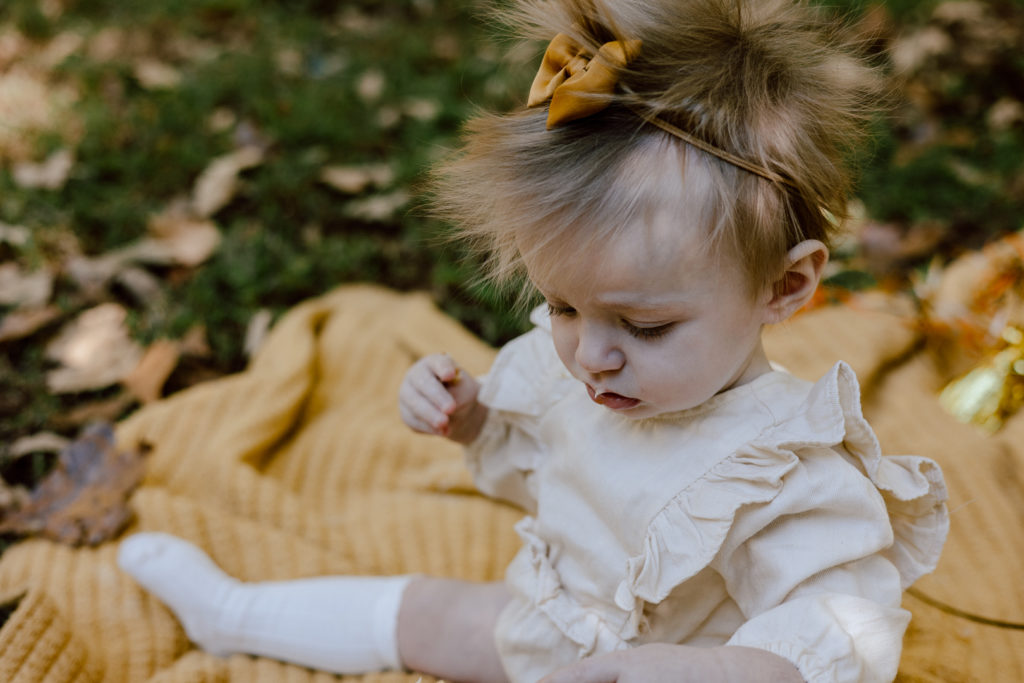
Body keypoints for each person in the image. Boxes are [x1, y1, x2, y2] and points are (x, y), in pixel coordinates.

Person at [117, 0, 949, 681]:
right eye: (562, 307)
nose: (593, 354)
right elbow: (559, 476)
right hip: (556, 632)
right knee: (438, 610)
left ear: (786, 287)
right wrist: (475, 419)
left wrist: (721, 669)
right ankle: (237, 614)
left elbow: (843, 615)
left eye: (646, 325)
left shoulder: (781, 467)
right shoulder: (600, 381)